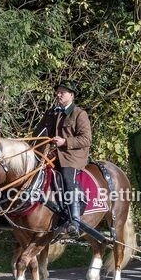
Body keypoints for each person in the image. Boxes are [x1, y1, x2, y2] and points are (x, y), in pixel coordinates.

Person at [36, 82, 92, 235]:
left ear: (71, 95)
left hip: (72, 156)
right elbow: (38, 134)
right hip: (51, 155)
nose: (58, 95)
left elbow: (86, 139)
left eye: (62, 92)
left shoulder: (79, 114)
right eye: (58, 92)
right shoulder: (50, 113)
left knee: (67, 177)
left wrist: (65, 142)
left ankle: (74, 220)